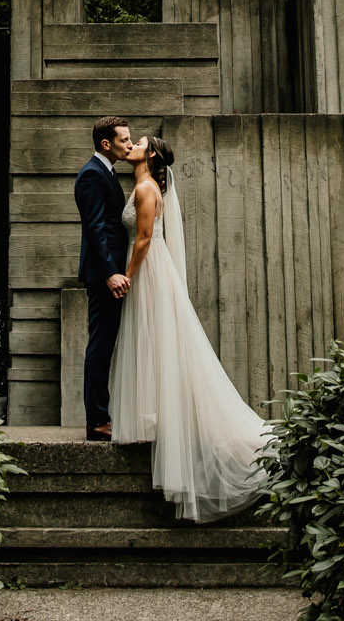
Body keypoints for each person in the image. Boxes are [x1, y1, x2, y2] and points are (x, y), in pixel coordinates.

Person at [108, 133, 272, 522]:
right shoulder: (141, 185)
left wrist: (127, 275)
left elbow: (145, 239)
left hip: (148, 272)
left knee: (161, 340)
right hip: (148, 271)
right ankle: (156, 412)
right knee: (154, 342)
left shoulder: (147, 189)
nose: (130, 147)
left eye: (138, 143)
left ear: (150, 155)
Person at [74, 117, 133, 442]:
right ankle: (97, 421)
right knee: (99, 346)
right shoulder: (92, 175)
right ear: (106, 143)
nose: (129, 143)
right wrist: (111, 272)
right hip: (102, 276)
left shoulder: (105, 172)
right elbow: (94, 228)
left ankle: (102, 416)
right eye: (123, 139)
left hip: (108, 272)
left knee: (104, 345)